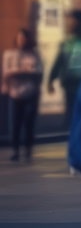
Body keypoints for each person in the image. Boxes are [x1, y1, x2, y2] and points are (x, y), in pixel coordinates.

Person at [4, 29, 42, 162]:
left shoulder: (34, 55)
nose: (22, 41)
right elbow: (6, 72)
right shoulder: (9, 54)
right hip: (15, 93)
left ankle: (28, 149)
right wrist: (23, 73)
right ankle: (15, 150)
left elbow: (38, 72)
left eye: (24, 39)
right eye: (19, 39)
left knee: (29, 122)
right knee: (15, 123)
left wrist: (19, 73)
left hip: (31, 92)